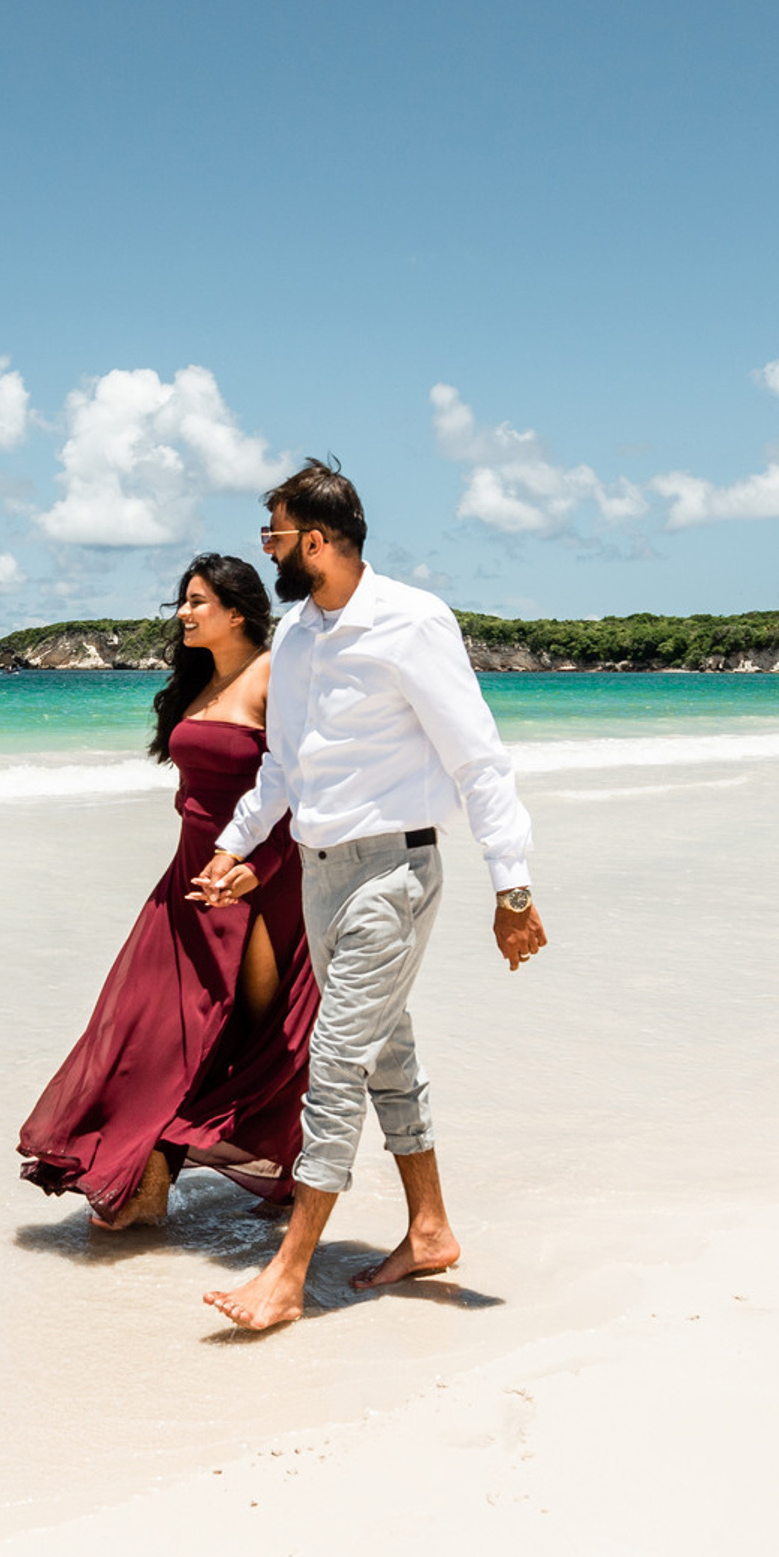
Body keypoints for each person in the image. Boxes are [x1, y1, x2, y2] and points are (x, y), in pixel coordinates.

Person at [191, 460, 549, 1331]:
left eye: (272, 534)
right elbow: (285, 766)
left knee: (336, 1060)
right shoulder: (299, 639)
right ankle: (429, 1231)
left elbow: (477, 758)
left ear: (315, 539)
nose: (266, 549)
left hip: (396, 873)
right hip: (321, 874)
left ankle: (287, 1273)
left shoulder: (413, 623)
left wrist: (513, 887)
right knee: (385, 1053)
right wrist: (234, 845)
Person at [18, 554, 322, 1229]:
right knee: (146, 1027)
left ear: (238, 610)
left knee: (244, 1034)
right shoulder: (198, 683)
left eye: (196, 601)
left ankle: (179, 1171)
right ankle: (141, 1170)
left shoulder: (276, 675)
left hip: (259, 880)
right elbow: (193, 785)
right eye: (182, 602)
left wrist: (256, 868)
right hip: (188, 878)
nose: (182, 614)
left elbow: (302, 791)